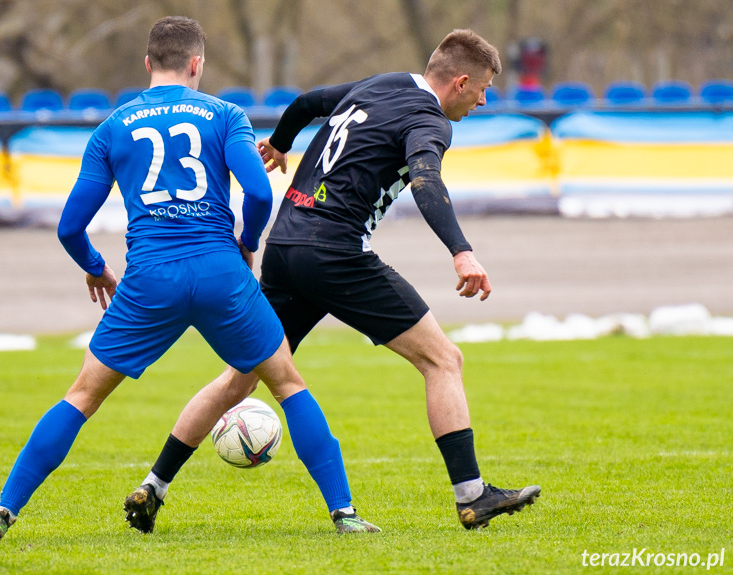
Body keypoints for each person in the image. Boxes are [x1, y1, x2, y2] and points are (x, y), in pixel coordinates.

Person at [0, 16, 378, 541]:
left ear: (147, 64)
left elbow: (70, 227)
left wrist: (96, 267)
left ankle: (2, 513)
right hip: (219, 272)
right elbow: (258, 194)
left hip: (148, 278)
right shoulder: (225, 115)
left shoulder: (113, 126)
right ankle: (343, 514)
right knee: (288, 384)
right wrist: (246, 245)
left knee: (82, 396)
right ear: (197, 64)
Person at [130, 28, 540, 533]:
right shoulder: (429, 119)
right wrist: (462, 252)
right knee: (443, 359)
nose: (481, 100)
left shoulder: (383, 83)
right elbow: (427, 178)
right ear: (459, 82)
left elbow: (305, 103)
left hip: (285, 246)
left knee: (242, 376)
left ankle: (154, 485)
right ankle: (473, 497)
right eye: (481, 90)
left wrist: (279, 145)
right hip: (334, 251)